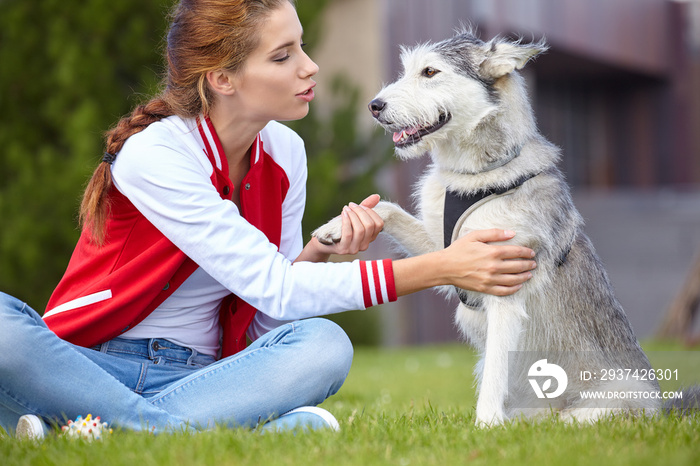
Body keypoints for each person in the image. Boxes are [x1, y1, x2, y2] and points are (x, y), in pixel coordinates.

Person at [0, 0, 536, 439]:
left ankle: (92, 426)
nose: (310, 66)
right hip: (88, 365)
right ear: (224, 79)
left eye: (301, 45)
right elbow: (278, 289)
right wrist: (441, 267)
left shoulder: (285, 152)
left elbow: (265, 310)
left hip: (205, 377)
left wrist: (315, 256)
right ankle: (165, 426)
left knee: (324, 345)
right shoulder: (155, 154)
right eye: (283, 56)